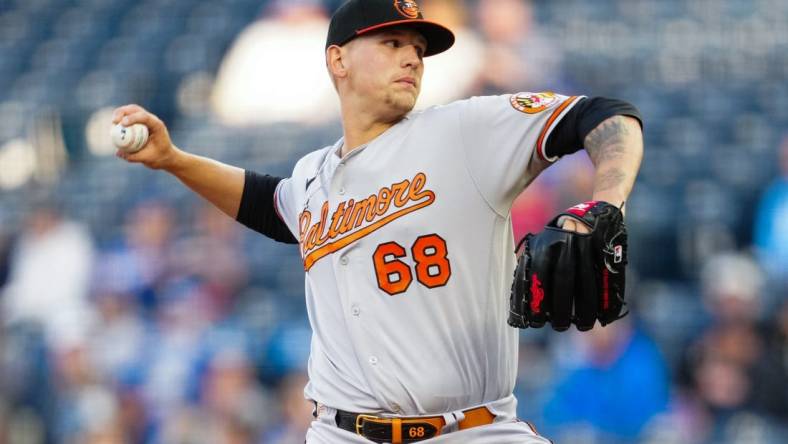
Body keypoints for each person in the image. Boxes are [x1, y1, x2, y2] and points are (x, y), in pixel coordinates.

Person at [111, 1, 643, 442]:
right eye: (392, 44)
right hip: (339, 433)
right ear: (338, 60)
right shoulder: (313, 176)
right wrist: (174, 160)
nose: (412, 58)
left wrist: (605, 204)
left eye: (417, 49)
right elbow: (268, 204)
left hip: (469, 431)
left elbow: (605, 115)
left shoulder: (463, 130)